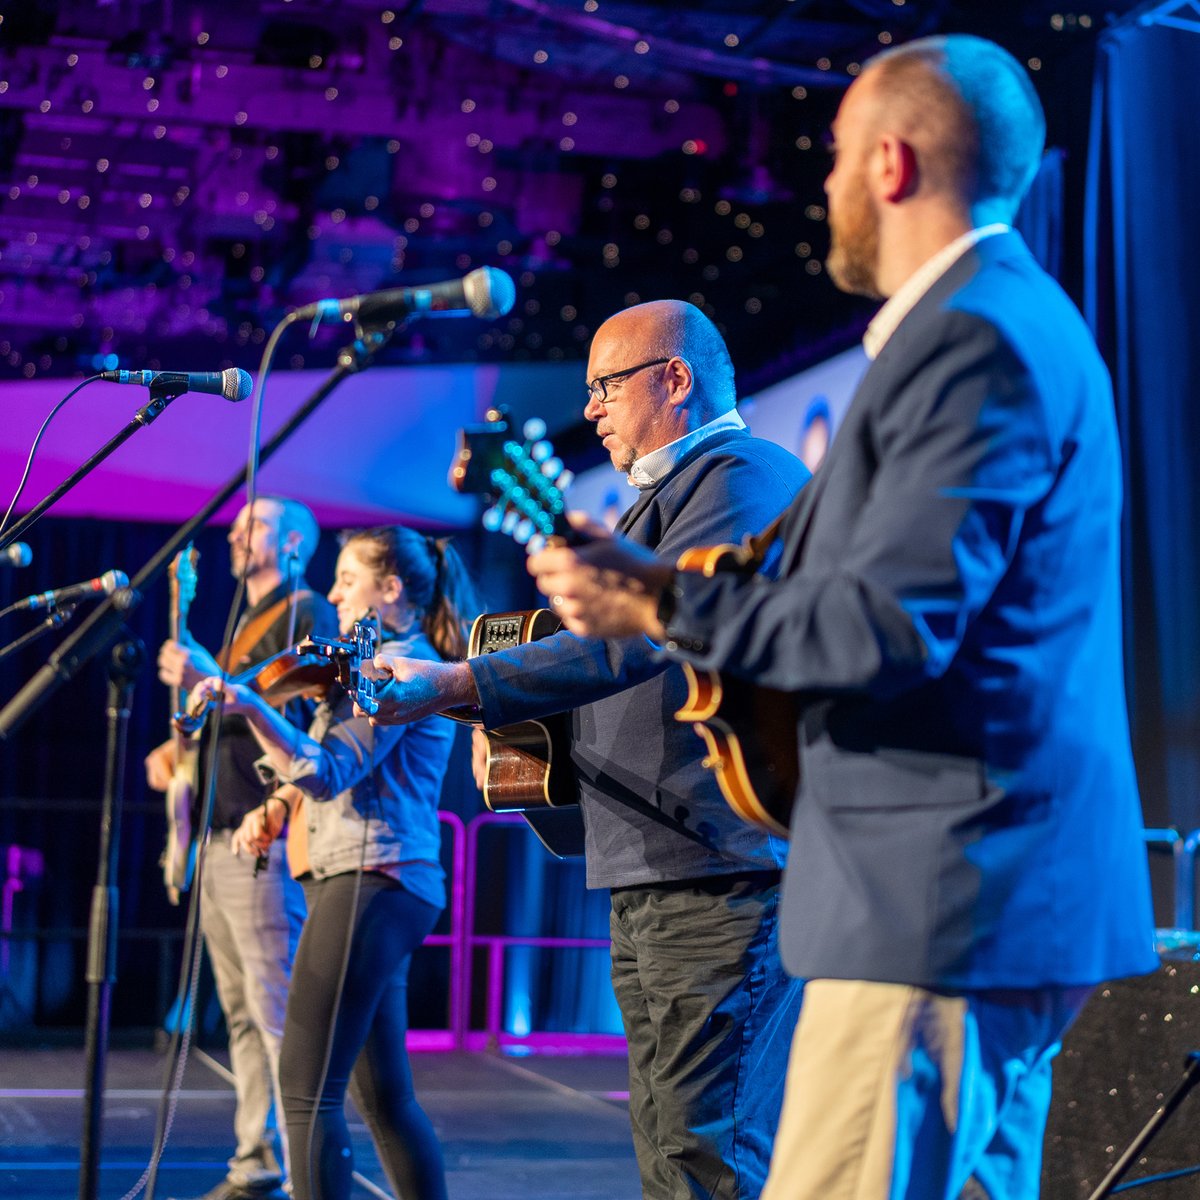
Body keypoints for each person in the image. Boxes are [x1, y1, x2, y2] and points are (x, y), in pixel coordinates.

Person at [522, 36, 1159, 1200]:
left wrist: (654, 597)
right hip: (978, 890)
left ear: (893, 163)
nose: (819, 189)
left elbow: (887, 628)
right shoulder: (997, 323)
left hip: (938, 893)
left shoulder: (974, 339)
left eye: (831, 159)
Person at [362, 299, 809, 1200]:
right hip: (656, 867)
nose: (594, 409)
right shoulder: (658, 503)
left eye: (606, 386)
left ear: (674, 380)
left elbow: (635, 641)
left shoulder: (744, 477)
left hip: (719, 870)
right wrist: (462, 698)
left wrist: (455, 685)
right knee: (665, 1146)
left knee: (703, 1150)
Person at [190, 526, 477, 1200]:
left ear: (390, 589)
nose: (334, 593)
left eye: (347, 579)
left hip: (369, 881)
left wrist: (253, 704)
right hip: (377, 882)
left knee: (305, 1090)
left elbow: (332, 768)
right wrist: (277, 798)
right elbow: (323, 767)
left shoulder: (396, 667)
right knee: (383, 1098)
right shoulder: (368, 665)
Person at [146, 496, 337, 1200]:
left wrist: (204, 678)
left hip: (267, 833)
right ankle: (259, 1161)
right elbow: (216, 717)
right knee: (239, 1014)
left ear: (293, 544)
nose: (234, 533)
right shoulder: (237, 626)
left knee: (277, 1012)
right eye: (236, 525)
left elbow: (293, 711)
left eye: (253, 524)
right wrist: (176, 751)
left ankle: (303, 1174)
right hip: (219, 838)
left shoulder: (309, 614)